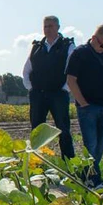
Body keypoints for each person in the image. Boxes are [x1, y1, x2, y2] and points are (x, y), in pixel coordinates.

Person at [66, 23, 103, 188]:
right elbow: (71, 80)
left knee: (100, 145)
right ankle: (93, 179)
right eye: (102, 45)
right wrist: (83, 103)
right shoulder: (80, 53)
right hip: (88, 107)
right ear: (94, 38)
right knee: (90, 145)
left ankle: (87, 176)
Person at [22, 15, 75, 159]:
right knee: (37, 131)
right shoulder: (36, 47)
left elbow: (73, 69)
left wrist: (65, 88)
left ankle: (69, 163)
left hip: (58, 94)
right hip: (38, 95)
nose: (48, 29)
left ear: (58, 27)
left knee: (63, 129)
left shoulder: (67, 46)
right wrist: (31, 88)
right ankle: (37, 163)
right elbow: (26, 70)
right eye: (45, 26)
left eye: (51, 26)